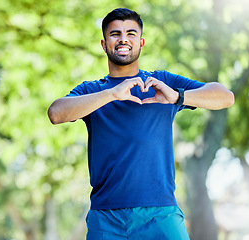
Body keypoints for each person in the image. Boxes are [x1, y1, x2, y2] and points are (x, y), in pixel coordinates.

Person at [47, 8, 234, 240]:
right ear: (104, 44)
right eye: (115, 33)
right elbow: (56, 113)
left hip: (161, 215)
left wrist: (177, 96)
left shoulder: (163, 82)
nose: (123, 38)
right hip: (106, 219)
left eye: (131, 33)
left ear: (141, 42)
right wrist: (111, 94)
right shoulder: (91, 91)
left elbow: (225, 96)